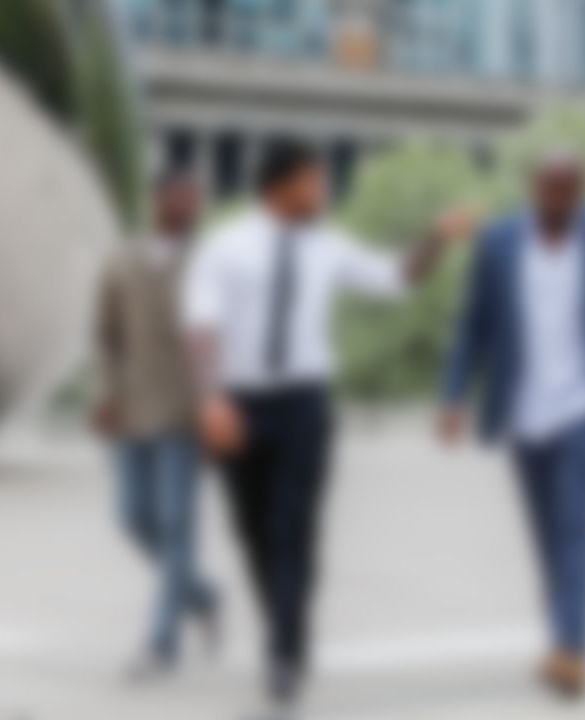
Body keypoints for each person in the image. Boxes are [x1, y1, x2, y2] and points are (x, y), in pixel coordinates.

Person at [182, 139, 474, 713]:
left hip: (303, 406)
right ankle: (284, 629)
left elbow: (398, 278)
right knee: (252, 530)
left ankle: (284, 652)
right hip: (238, 403)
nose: (321, 191)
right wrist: (210, 399)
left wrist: (436, 237)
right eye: (312, 181)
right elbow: (201, 326)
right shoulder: (224, 247)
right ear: (279, 185)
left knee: (295, 529)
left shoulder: (328, 246)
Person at [437, 150, 585, 699]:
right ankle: (562, 639)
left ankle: (571, 650)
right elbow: (475, 325)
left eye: (568, 191)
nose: (557, 201)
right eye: (548, 190)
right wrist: (453, 396)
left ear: (582, 190)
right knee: (547, 535)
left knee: (577, 526)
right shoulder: (496, 243)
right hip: (525, 414)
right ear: (530, 187)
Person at [91, 170, 221, 682]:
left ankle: (160, 643)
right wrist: (104, 394)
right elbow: (103, 334)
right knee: (132, 519)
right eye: (179, 194)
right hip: (129, 411)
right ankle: (203, 595)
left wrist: (217, 408)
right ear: (157, 199)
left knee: (175, 524)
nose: (188, 204)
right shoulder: (121, 260)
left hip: (186, 416)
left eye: (195, 196)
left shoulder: (211, 262)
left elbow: (222, 340)